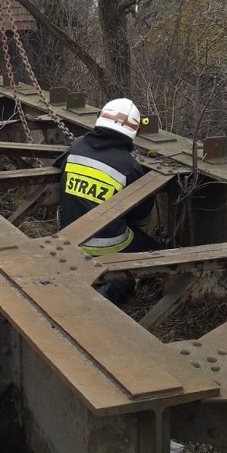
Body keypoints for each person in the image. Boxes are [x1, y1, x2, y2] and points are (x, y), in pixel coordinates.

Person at [54, 98, 158, 305]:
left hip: (68, 238)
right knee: (150, 249)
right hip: (107, 246)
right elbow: (141, 217)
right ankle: (117, 288)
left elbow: (60, 168)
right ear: (133, 131)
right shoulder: (129, 166)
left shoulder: (75, 148)